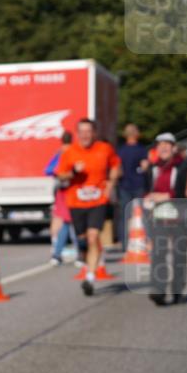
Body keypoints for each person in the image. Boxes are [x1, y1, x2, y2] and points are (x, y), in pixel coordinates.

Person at [55, 118, 121, 296]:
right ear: (77, 134)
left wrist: (110, 184)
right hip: (76, 202)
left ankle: (90, 277)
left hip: (98, 201)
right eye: (82, 132)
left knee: (93, 237)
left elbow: (116, 165)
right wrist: (74, 172)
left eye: (88, 131)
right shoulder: (70, 152)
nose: (85, 135)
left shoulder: (104, 148)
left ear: (94, 133)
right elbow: (60, 175)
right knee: (83, 241)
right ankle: (87, 262)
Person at [143, 132, 187, 306]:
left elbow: (186, 190)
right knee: (159, 253)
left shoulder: (185, 166)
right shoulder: (153, 168)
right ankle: (159, 291)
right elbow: (147, 189)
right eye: (160, 145)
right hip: (159, 215)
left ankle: (177, 289)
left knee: (179, 254)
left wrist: (166, 195)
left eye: (167, 144)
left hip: (181, 214)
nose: (163, 148)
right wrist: (148, 199)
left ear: (173, 148)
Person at [115, 123, 151, 251]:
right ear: (137, 134)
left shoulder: (121, 150)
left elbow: (117, 170)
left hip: (124, 185)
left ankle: (124, 245)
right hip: (139, 184)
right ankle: (147, 241)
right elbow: (145, 166)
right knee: (144, 214)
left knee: (125, 215)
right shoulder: (141, 149)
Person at [45, 131, 78, 265]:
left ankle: (57, 253)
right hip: (72, 189)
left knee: (65, 221)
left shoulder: (59, 153)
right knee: (73, 222)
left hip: (60, 190)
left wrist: (58, 175)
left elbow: (48, 170)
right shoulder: (74, 152)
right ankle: (79, 252)